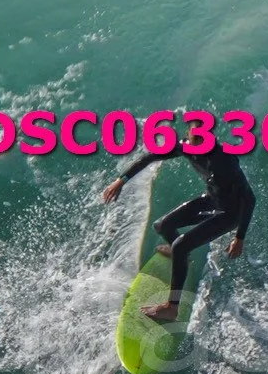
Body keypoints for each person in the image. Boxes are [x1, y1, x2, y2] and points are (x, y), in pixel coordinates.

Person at [99, 137, 255, 323]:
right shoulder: (186, 147)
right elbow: (150, 157)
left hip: (232, 213)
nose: (196, 146)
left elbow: (250, 198)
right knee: (162, 226)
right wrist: (121, 180)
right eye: (193, 140)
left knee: (180, 245)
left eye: (200, 141)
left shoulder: (224, 160)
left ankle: (171, 308)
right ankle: (182, 260)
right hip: (213, 200)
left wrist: (240, 237)